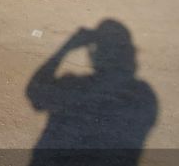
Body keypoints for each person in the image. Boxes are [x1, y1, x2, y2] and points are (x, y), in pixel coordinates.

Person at [27, 20, 157, 165]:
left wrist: (66, 47)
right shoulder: (144, 94)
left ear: (95, 54)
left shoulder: (76, 86)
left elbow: (35, 92)